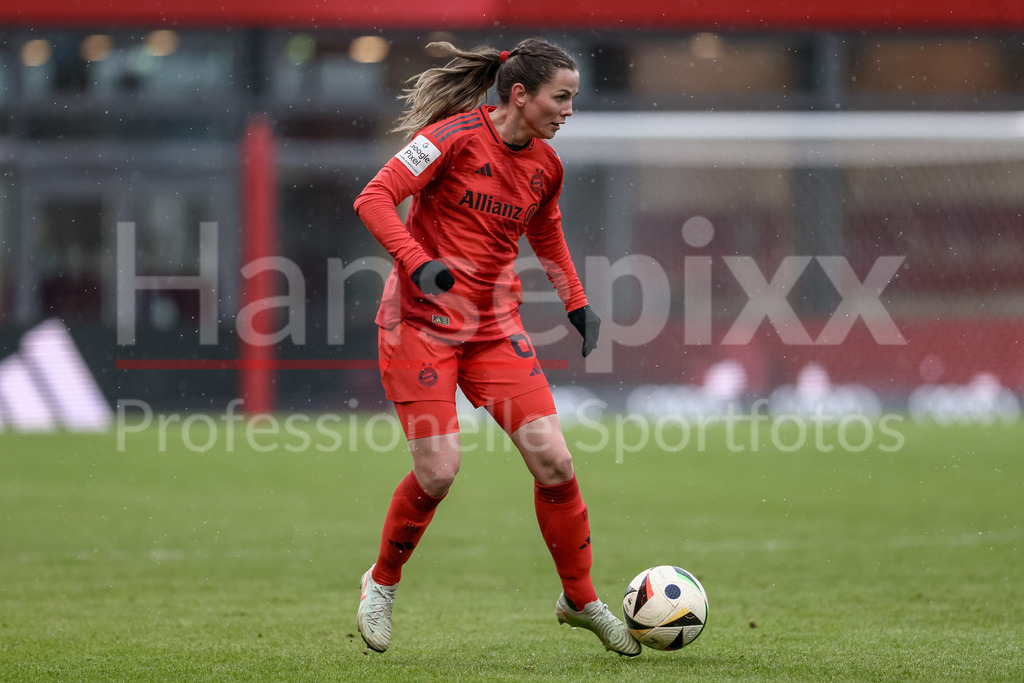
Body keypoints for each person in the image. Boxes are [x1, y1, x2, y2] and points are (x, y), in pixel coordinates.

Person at [352, 37, 639, 657]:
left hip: (493, 327)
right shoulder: (451, 138)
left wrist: (576, 301)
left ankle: (580, 599)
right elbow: (373, 198)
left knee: (555, 462)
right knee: (439, 472)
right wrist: (417, 262)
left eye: (573, 99)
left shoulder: (546, 166)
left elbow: (547, 234)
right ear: (521, 94)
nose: (569, 110)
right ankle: (382, 582)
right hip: (417, 325)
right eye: (561, 97)